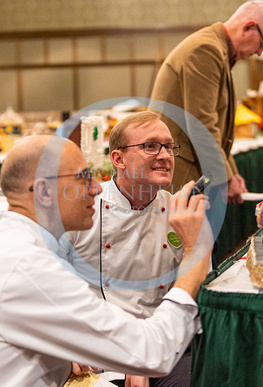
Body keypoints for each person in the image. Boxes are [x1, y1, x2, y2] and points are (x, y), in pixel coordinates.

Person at [0, 135, 212, 386]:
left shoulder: (5, 247)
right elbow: (152, 352)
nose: (97, 188)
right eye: (83, 178)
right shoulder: (25, 266)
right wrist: (196, 252)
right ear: (44, 192)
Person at [64, 112, 209, 386]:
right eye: (150, 146)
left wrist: (147, 355)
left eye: (169, 146)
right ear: (118, 159)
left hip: (165, 345)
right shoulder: (84, 209)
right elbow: (47, 287)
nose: (165, 155)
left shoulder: (179, 211)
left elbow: (196, 295)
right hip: (95, 351)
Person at [149, 0, 263, 205]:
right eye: (262, 44)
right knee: (180, 238)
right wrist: (225, 178)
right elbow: (201, 123)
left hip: (185, 170)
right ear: (248, 27)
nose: (259, 53)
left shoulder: (218, 50)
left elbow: (217, 129)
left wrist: (233, 174)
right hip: (177, 173)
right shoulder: (206, 50)